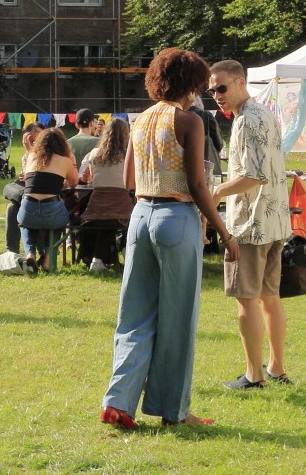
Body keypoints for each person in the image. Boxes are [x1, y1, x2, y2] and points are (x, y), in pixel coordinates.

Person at [101, 48, 240, 431]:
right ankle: (173, 410)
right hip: (176, 219)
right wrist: (224, 234)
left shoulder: (140, 120)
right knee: (178, 318)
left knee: (133, 314)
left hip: (140, 216)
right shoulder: (189, 121)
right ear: (192, 85)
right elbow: (198, 185)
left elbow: (129, 179)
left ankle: (117, 402)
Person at [209, 60, 292, 389]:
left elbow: (252, 176)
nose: (216, 95)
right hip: (274, 222)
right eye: (212, 90)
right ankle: (276, 368)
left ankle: (254, 375)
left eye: (222, 87)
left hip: (251, 225)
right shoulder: (266, 112)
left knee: (247, 300)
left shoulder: (245, 120)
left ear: (241, 82)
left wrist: (214, 191)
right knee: (270, 298)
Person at [77, 117, 134, 272]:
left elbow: (92, 180)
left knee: (105, 222)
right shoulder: (129, 155)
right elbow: (131, 184)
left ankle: (99, 257)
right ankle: (121, 249)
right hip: (121, 208)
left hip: (96, 208)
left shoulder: (95, 153)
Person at [18, 128, 77, 275]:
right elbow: (74, 181)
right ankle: (48, 258)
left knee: (24, 224)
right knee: (59, 223)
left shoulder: (31, 156)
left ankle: (30, 254)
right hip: (52, 209)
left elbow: (28, 178)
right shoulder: (65, 160)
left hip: (28, 207)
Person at [4, 121, 45, 254]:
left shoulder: (52, 154)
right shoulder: (26, 156)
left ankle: (43, 250)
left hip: (46, 196)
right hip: (29, 194)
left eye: (38, 137)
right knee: (11, 208)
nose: (35, 143)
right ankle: (12, 251)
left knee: (31, 208)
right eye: (31, 141)